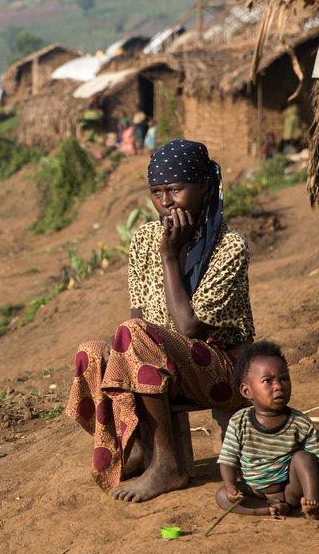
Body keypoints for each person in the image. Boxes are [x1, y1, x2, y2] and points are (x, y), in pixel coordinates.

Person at [67, 139, 254, 502]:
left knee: (134, 335)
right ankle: (134, 443)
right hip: (162, 365)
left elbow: (188, 328)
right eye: (157, 192)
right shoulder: (144, 239)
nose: (166, 202)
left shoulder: (230, 246)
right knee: (92, 351)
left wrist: (170, 256)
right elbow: (139, 316)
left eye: (176, 189)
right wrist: (116, 350)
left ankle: (169, 465)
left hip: (223, 367)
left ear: (204, 187)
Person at [215, 341, 319, 519]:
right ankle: (269, 508)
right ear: (247, 391)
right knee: (222, 496)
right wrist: (231, 486)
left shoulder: (299, 422)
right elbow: (228, 459)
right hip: (255, 492)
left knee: (304, 458)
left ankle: (312, 504)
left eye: (284, 378)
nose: (278, 386)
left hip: (292, 490)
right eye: (267, 381)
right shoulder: (239, 422)